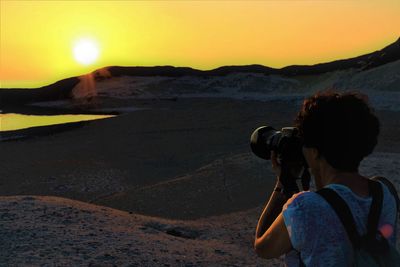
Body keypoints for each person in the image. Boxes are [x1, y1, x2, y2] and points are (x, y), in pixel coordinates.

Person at [254, 91, 398, 266]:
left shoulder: (304, 207)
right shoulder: (383, 194)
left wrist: (283, 182)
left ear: (314, 152)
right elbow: (334, 199)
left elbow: (263, 247)